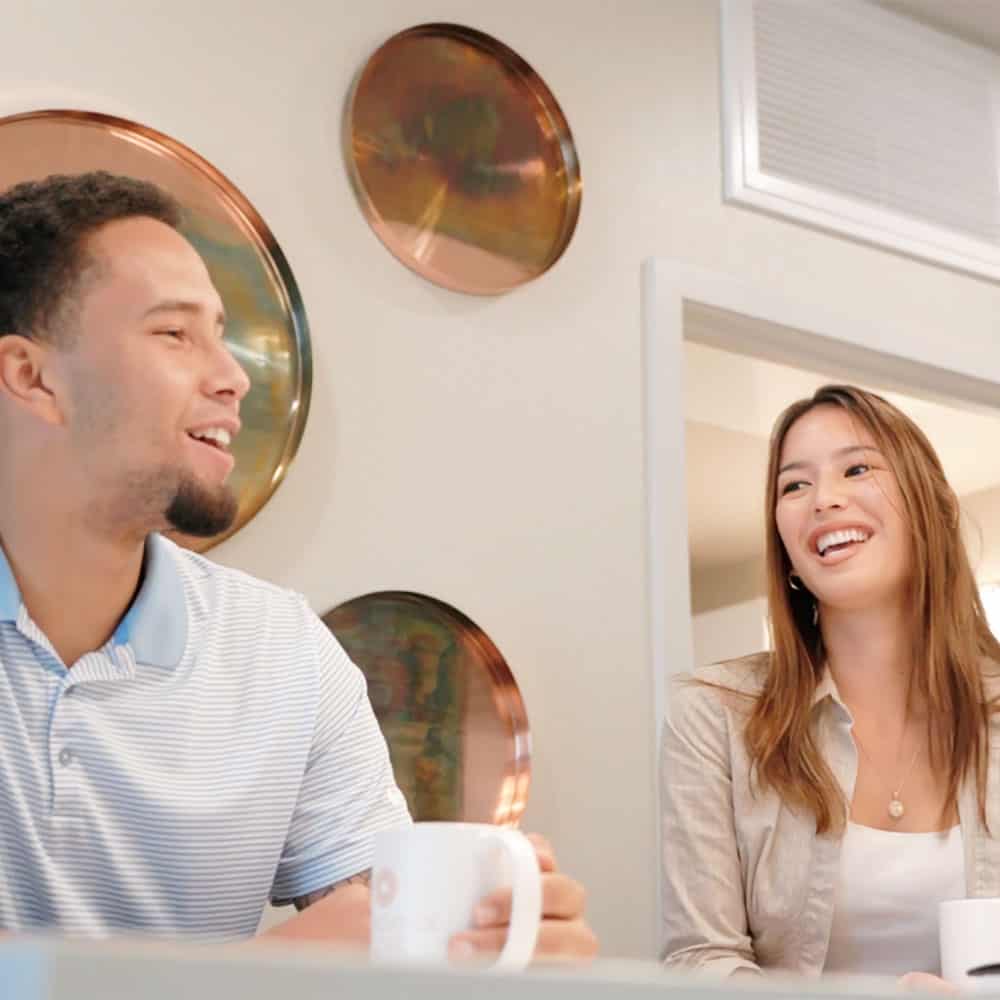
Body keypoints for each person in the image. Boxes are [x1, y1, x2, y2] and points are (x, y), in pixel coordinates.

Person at [0, 171, 596, 961]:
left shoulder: (283, 652)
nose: (233, 376)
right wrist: (250, 975)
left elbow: (383, 931)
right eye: (175, 334)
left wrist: (490, 947)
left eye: (220, 333)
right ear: (31, 376)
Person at [661, 384, 1000, 988]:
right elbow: (700, 960)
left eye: (857, 468)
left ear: (927, 507)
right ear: (788, 552)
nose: (823, 500)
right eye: (794, 485)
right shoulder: (713, 713)